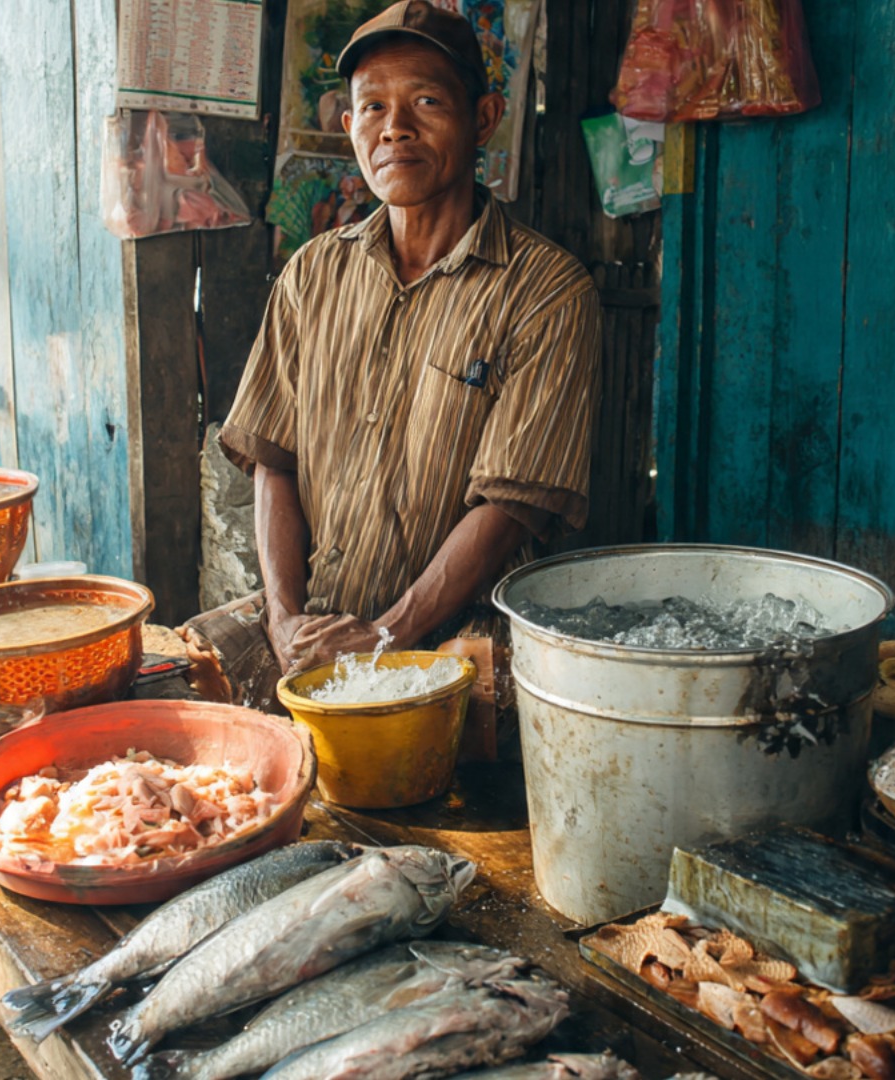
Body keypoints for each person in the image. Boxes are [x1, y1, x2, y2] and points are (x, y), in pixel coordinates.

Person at [180, 0, 602, 754]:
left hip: (458, 627)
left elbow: (509, 506)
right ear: (349, 126)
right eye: (372, 106)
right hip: (321, 616)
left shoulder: (546, 290)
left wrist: (384, 635)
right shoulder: (312, 274)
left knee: (448, 736)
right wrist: (282, 620)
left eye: (427, 102)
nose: (393, 127)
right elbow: (273, 458)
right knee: (178, 690)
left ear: (485, 117)